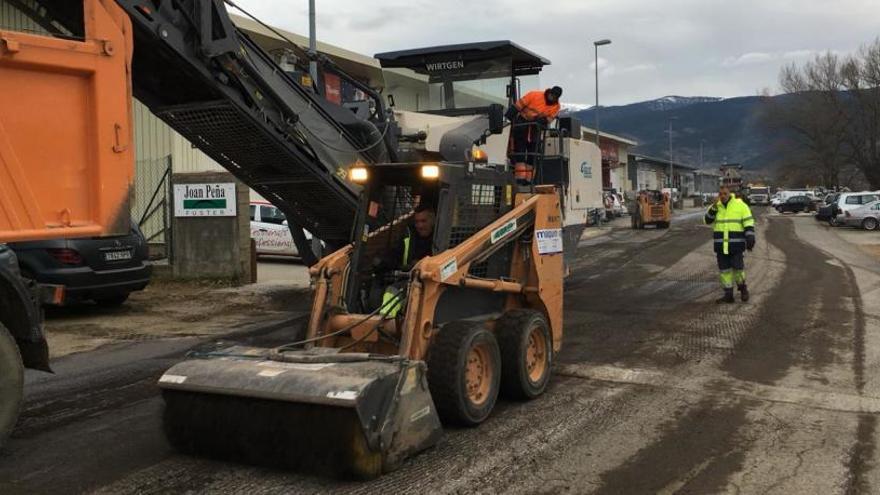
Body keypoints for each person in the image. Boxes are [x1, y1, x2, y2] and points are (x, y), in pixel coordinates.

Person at [376, 204, 436, 316]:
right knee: (390, 290)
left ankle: (384, 324)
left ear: (433, 221)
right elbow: (395, 254)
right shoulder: (409, 236)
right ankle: (385, 323)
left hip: (435, 282)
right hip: (409, 279)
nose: (420, 225)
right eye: (417, 222)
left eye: (423, 221)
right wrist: (381, 262)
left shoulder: (443, 238)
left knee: (393, 291)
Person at [705, 185, 756, 303]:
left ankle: (743, 289)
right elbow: (707, 220)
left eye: (725, 194)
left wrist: (750, 236)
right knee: (724, 271)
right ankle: (728, 295)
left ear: (730, 194)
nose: (722, 196)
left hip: (736, 245)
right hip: (721, 246)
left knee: (738, 270)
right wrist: (713, 208)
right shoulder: (715, 207)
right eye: (720, 194)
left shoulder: (740, 205)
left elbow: (748, 222)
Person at [509, 86, 563, 184]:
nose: (552, 97)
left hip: (535, 128)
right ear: (549, 92)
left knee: (532, 155)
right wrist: (508, 117)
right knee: (520, 152)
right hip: (522, 123)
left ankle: (529, 180)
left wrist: (542, 120)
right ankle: (520, 179)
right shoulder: (534, 95)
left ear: (557, 98)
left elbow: (549, 118)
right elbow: (517, 106)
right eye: (552, 94)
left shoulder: (556, 106)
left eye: (555, 96)